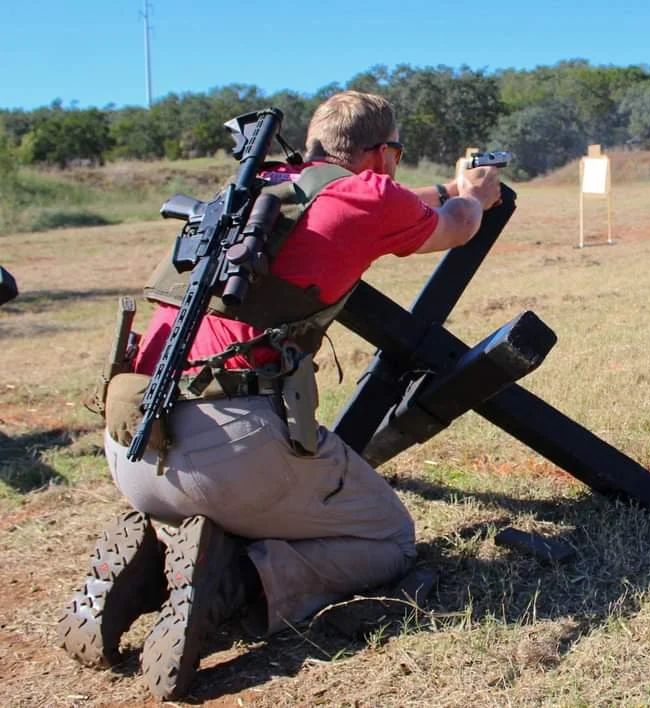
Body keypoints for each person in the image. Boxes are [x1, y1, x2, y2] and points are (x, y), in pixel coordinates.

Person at [57, 91, 502, 700]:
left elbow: (375, 200)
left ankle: (161, 551)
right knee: (388, 540)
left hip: (133, 439)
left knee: (253, 497)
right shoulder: (367, 196)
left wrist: (437, 188)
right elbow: (458, 225)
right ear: (380, 153)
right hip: (231, 450)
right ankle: (231, 581)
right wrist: (474, 193)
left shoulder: (253, 191)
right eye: (394, 154)